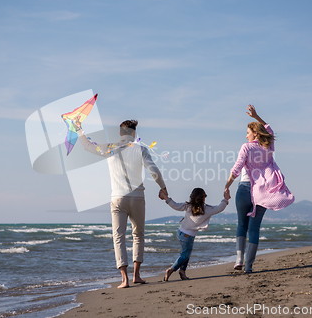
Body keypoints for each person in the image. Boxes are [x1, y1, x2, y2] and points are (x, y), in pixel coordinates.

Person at [74, 119, 168, 288]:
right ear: (134, 134)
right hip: (137, 197)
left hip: (118, 197)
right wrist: (163, 188)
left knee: (119, 237)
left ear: (120, 133)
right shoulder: (141, 150)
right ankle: (136, 275)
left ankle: (124, 279)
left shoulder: (110, 148)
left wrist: (79, 130)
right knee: (138, 235)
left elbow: (87, 146)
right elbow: (154, 171)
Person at [224, 105, 294, 273]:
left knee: (242, 225)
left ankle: (239, 260)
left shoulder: (246, 147)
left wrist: (227, 185)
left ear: (255, 133)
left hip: (244, 189)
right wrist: (257, 117)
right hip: (263, 192)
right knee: (254, 228)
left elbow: (236, 168)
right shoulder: (268, 147)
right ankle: (248, 266)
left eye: (248, 132)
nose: (246, 134)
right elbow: (270, 131)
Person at [159, 188, 230, 281]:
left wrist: (166, 198)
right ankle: (171, 270)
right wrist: (226, 199)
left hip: (180, 233)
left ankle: (182, 272)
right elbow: (220, 207)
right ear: (204, 198)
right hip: (187, 237)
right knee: (185, 255)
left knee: (185, 253)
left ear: (192, 197)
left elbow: (175, 205)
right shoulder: (207, 209)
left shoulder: (188, 206)